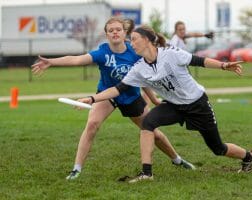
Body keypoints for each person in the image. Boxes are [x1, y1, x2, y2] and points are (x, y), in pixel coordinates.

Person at [78, 25, 252, 183]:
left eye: (134, 39)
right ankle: (146, 174)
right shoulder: (138, 68)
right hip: (174, 106)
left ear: (147, 40)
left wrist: (224, 65)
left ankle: (249, 157)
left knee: (218, 148)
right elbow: (118, 89)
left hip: (197, 104)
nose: (131, 44)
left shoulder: (171, 54)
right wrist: (93, 98)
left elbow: (199, 61)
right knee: (147, 123)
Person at [31, 18, 195, 180]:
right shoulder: (102, 53)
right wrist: (51, 61)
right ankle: (76, 170)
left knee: (153, 132)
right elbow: (76, 59)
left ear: (125, 33)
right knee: (92, 125)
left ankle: (177, 160)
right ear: (107, 35)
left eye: (118, 29)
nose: (115, 32)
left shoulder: (135, 53)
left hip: (131, 96)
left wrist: (153, 99)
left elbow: (143, 79)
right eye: (111, 30)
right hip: (107, 95)